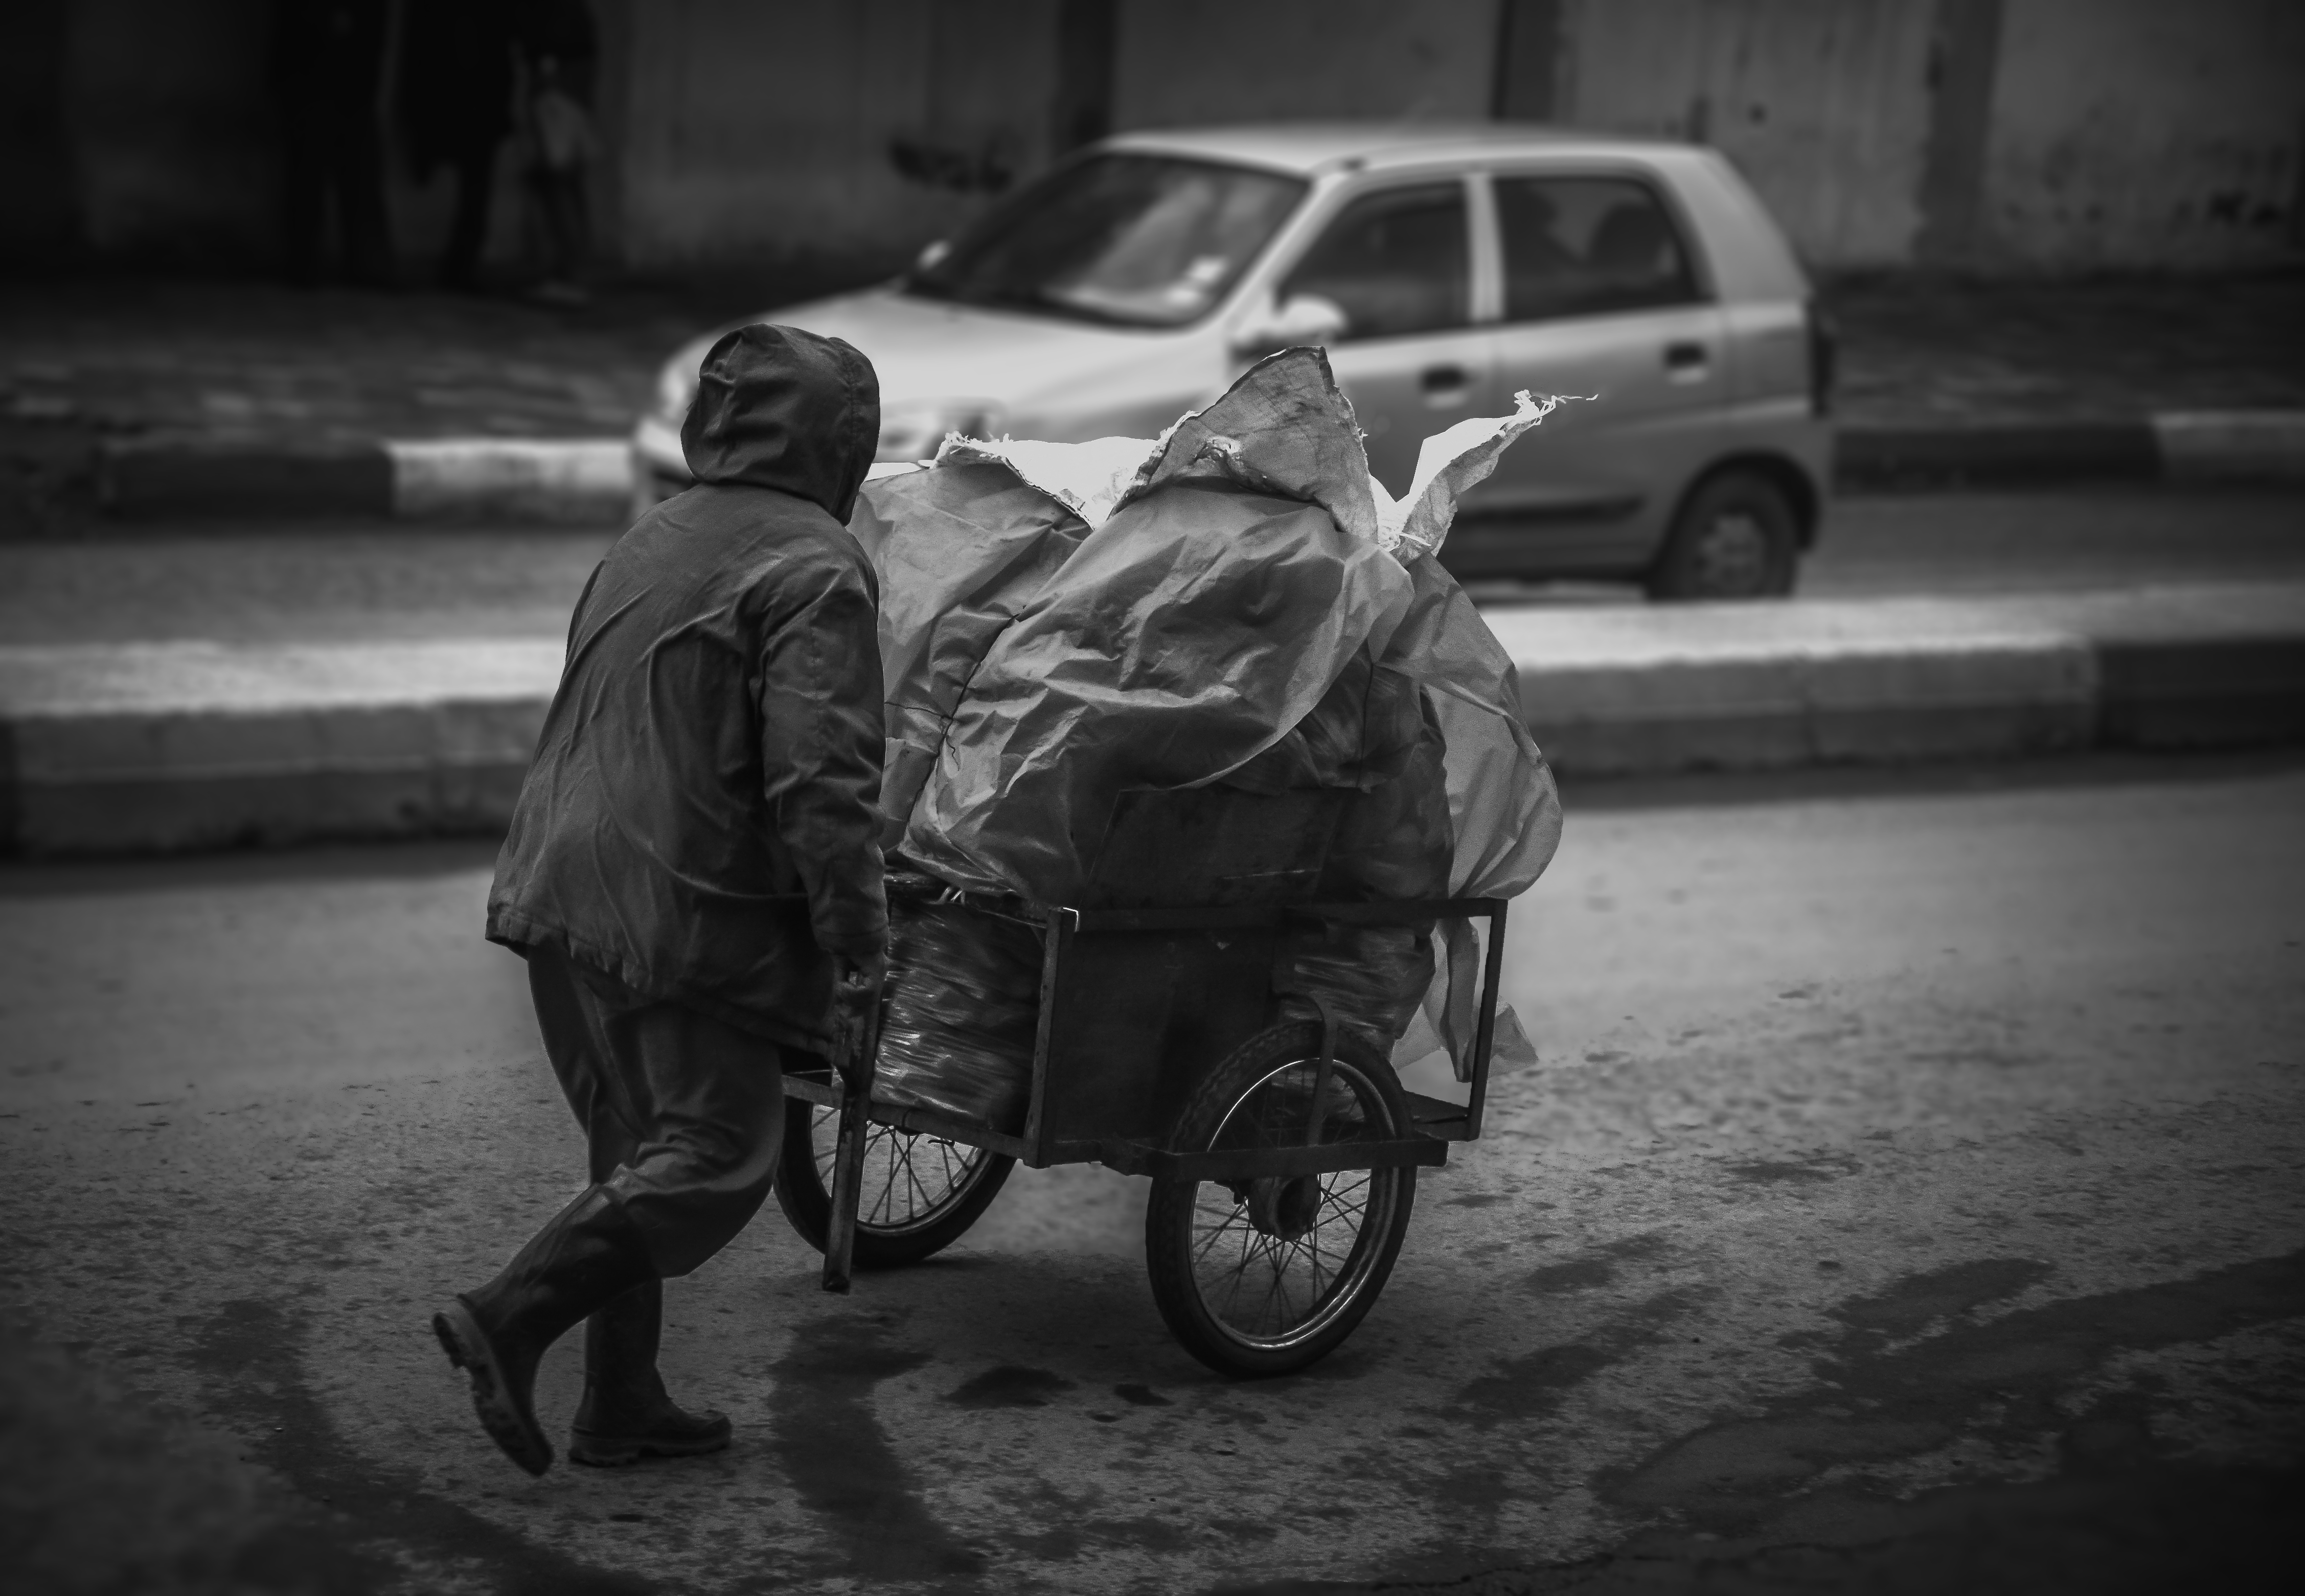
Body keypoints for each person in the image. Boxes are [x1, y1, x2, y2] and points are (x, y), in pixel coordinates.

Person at [434, 325, 887, 1474]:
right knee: (718, 1150)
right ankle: (507, 1316)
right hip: (675, 903)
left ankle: (621, 1400)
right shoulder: (818, 565)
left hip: (557, 876)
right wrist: (856, 938)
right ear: (843, 445)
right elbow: (820, 778)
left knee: (634, 1143)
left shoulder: (654, 533)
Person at [270, 0, 395, 285]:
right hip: (312, 79)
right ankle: (306, 263)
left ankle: (357, 264)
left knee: (354, 178)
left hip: (348, 83)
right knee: (310, 177)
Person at [398, 0, 517, 291]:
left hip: (472, 98)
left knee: (475, 188)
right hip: (459, 96)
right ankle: (460, 265)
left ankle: (461, 264)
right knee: (474, 186)